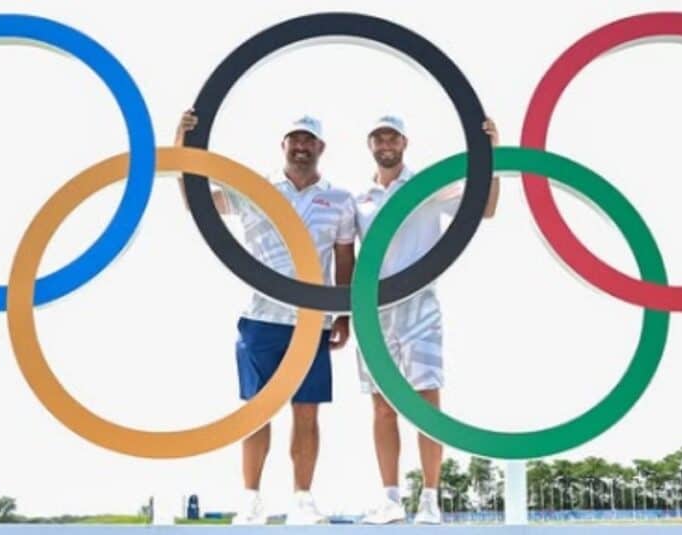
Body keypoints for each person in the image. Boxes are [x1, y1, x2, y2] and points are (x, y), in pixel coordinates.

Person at [174, 110, 356, 525]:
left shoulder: (340, 199)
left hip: (312, 320)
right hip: (261, 317)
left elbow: (345, 257)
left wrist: (342, 314)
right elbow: (196, 201)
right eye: (294, 139)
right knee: (256, 410)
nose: (301, 146)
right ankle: (251, 498)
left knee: (307, 412)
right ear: (284, 145)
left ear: (320, 147)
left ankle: (303, 499)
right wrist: (181, 142)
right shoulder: (254, 188)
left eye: (309, 139)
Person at [356, 115, 500, 525]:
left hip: (420, 305)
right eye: (379, 136)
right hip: (374, 310)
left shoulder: (427, 187)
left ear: (404, 142)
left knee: (426, 402)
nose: (386, 143)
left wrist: (491, 152)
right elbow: (347, 255)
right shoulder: (359, 198)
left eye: (393, 136)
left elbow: (485, 208)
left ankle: (431, 499)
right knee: (382, 409)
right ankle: (389, 499)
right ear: (371, 144)